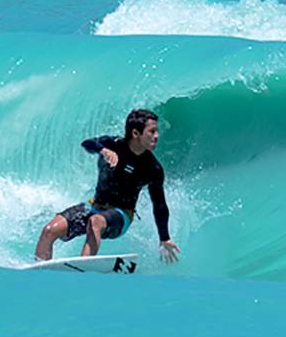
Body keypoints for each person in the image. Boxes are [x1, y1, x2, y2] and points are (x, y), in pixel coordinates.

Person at [35, 108, 181, 263]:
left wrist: (164, 238)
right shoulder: (113, 144)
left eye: (156, 131)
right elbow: (87, 143)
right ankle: (40, 273)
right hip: (93, 206)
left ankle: (82, 271)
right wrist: (103, 150)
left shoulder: (152, 168)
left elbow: (159, 204)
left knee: (95, 222)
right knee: (49, 231)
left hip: (121, 214)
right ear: (136, 133)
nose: (156, 136)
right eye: (151, 132)